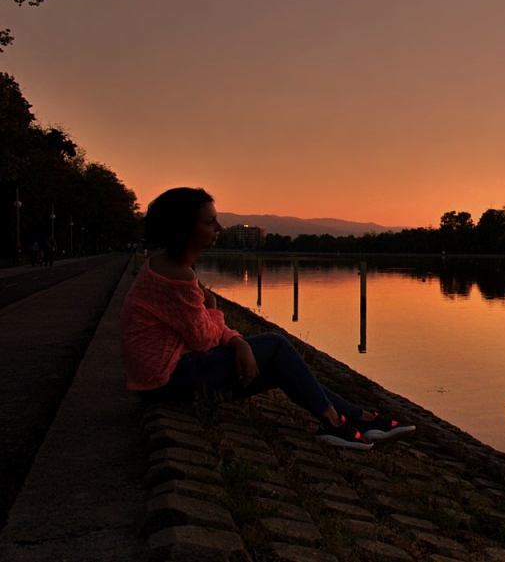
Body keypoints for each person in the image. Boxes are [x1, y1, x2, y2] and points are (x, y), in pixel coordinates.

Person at [121, 187, 413, 450]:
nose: (219, 227)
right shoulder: (176, 275)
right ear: (185, 228)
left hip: (162, 378)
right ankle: (336, 421)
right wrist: (224, 323)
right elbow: (202, 339)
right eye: (210, 222)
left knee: (279, 366)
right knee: (274, 344)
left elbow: (202, 332)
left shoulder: (166, 264)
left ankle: (354, 417)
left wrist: (234, 339)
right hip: (167, 382)